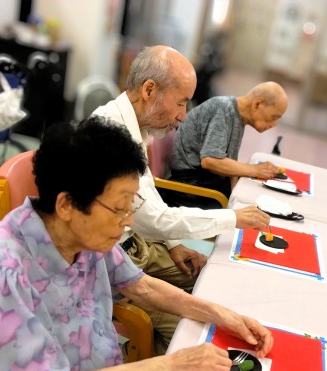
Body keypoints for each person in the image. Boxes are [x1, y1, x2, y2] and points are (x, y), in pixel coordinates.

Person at [0, 117, 273, 371]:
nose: (128, 221)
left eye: (131, 206)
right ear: (67, 204)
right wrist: (170, 366)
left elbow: (141, 286)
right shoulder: (0, 265)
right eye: (119, 209)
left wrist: (220, 314)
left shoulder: (82, 236)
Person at [92, 45, 270, 355]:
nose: (183, 116)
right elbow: (152, 218)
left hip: (137, 246)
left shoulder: (136, 126)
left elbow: (146, 206)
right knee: (198, 335)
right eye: (181, 102)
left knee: (213, 280)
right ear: (149, 90)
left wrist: (174, 244)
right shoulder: (110, 134)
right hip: (116, 262)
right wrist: (233, 218)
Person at [162, 81, 288, 209]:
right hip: (190, 192)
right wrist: (256, 170)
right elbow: (211, 161)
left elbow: (228, 166)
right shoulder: (222, 109)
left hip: (206, 185)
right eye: (274, 117)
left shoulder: (237, 116)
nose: (274, 124)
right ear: (258, 104)